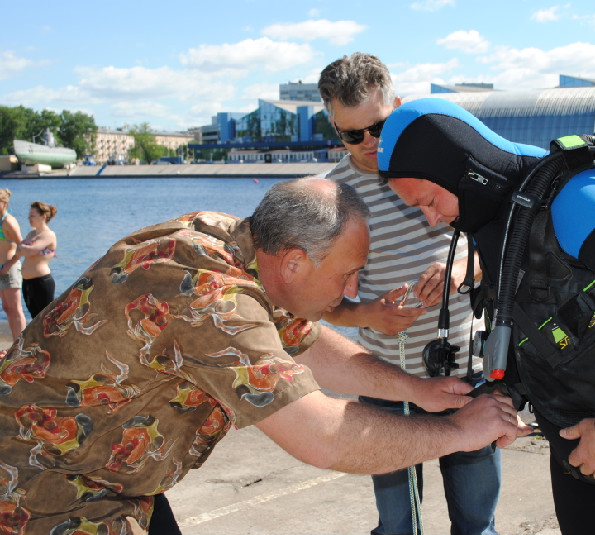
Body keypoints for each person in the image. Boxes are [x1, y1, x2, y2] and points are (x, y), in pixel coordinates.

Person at [0, 177, 529, 535]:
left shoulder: (227, 239)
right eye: (347, 274)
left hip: (111, 478)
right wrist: (461, 433)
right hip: (42, 492)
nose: (353, 290)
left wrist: (417, 390)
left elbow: (303, 342)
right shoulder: (212, 300)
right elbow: (322, 435)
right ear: (295, 261)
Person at [377, 98, 595, 535]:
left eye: (429, 200)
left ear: (463, 169)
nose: (432, 220)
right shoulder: (496, 218)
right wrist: (505, 394)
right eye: (419, 210)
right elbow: (535, 323)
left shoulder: (578, 197)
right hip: (575, 449)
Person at [318, 53, 502, 535]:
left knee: (477, 525)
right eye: (351, 135)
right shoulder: (330, 197)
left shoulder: (445, 162)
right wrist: (369, 315)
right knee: (398, 527)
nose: (368, 144)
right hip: (386, 384)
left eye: (376, 127)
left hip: (466, 371)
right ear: (333, 127)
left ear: (396, 105)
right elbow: (320, 305)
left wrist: (463, 267)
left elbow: (500, 248)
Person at [1, 201, 58, 319]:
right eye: (29, 215)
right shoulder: (31, 234)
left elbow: (30, 251)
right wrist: (10, 263)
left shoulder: (49, 234)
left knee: (45, 319)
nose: (28, 218)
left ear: (43, 216)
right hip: (27, 282)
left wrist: (23, 247)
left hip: (42, 282)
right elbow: (19, 252)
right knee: (34, 318)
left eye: (32, 215)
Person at [0, 189, 25, 339]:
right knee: (7, 308)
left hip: (10, 268)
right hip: (1, 269)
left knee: (16, 309)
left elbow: (21, 246)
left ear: (5, 203)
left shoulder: (9, 221)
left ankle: (20, 345)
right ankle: (14, 345)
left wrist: (9, 265)